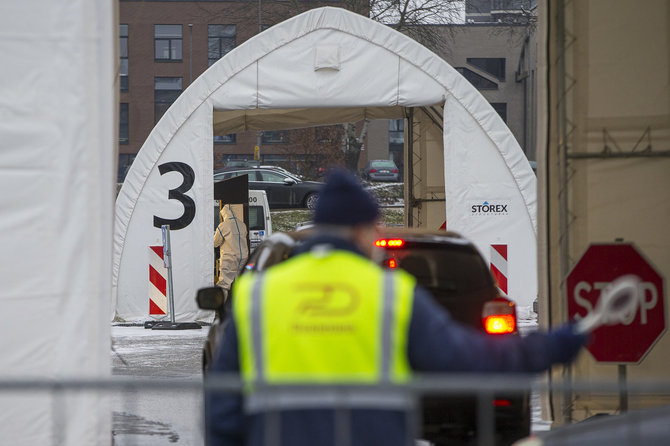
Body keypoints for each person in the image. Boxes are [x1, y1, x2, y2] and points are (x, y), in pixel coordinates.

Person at [206, 169, 588, 446]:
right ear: (361, 230)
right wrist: (555, 344)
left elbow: (223, 404)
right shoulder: (391, 293)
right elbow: (471, 358)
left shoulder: (260, 293)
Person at [214, 204, 249, 294]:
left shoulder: (223, 226)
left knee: (224, 284)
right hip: (243, 257)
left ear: (224, 214)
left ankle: (223, 304)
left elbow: (215, 243)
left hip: (230, 257)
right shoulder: (242, 224)